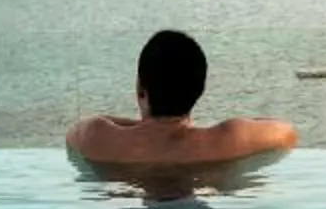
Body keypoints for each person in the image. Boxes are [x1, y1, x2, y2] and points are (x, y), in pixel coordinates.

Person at [64, 29, 297, 167]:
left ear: (140, 90)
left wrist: (149, 128)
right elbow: (287, 133)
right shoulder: (227, 139)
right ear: (200, 89)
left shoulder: (98, 137)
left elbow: (74, 133)